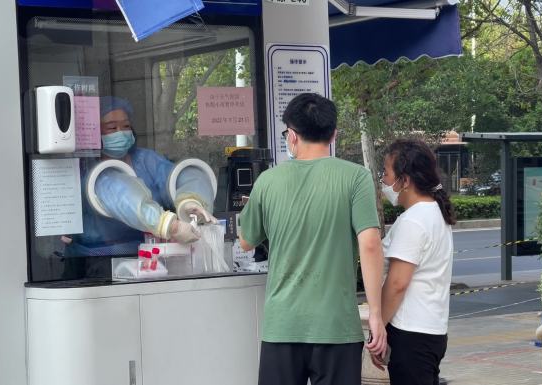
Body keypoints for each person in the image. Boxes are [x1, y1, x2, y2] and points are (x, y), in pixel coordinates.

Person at [238, 93, 387, 385]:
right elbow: (370, 244)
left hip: (282, 326)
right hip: (336, 327)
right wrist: (376, 316)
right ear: (333, 134)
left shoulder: (267, 182)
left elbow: (246, 241)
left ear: (291, 136)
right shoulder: (356, 177)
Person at [61, 97, 215, 275]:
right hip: (98, 263)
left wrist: (190, 200)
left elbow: (183, 175)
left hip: (150, 257)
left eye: (126, 126)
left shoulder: (145, 160)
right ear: (95, 134)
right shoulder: (91, 170)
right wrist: (170, 226)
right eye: (112, 128)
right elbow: (118, 192)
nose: (121, 132)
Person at [372, 139, 455, 385]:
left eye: (386, 173)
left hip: (410, 334)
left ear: (405, 180)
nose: (383, 181)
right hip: (432, 331)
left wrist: (379, 327)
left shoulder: (413, 221)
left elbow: (397, 283)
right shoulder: (435, 212)